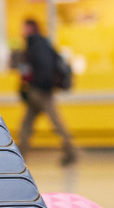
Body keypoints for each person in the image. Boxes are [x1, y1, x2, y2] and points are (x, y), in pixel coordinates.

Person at [17, 18, 79, 166]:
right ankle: (19, 157)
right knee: (26, 125)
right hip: (36, 92)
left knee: (56, 123)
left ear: (31, 28)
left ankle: (71, 151)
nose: (21, 30)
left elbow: (43, 68)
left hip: (41, 92)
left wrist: (41, 86)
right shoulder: (35, 44)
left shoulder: (37, 45)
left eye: (24, 27)